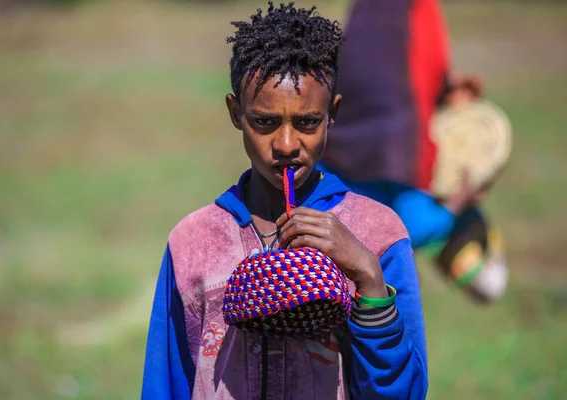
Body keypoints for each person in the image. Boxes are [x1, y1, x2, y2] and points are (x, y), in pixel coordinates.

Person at [142, 2, 428, 399]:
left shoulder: (378, 234)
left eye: (307, 122)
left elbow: (405, 393)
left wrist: (367, 276)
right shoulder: (192, 242)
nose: (287, 145)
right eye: (265, 122)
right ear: (235, 112)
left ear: (333, 112)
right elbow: (165, 384)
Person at [319, 0, 508, 303]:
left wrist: (446, 89)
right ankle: (472, 260)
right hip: (396, 146)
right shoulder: (417, 8)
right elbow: (400, 235)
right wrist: (459, 200)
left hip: (346, 137)